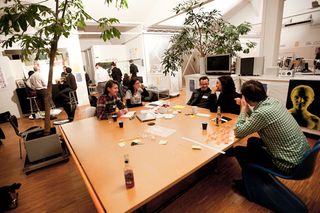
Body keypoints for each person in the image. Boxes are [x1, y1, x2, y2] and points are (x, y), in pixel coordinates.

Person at [227, 80, 310, 194]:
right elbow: (258, 119)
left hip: (289, 164)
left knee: (239, 151)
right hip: (301, 156)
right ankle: (253, 177)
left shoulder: (262, 113)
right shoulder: (272, 101)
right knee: (253, 141)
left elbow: (239, 132)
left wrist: (243, 109)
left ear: (247, 99)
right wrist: (247, 110)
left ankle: (250, 185)